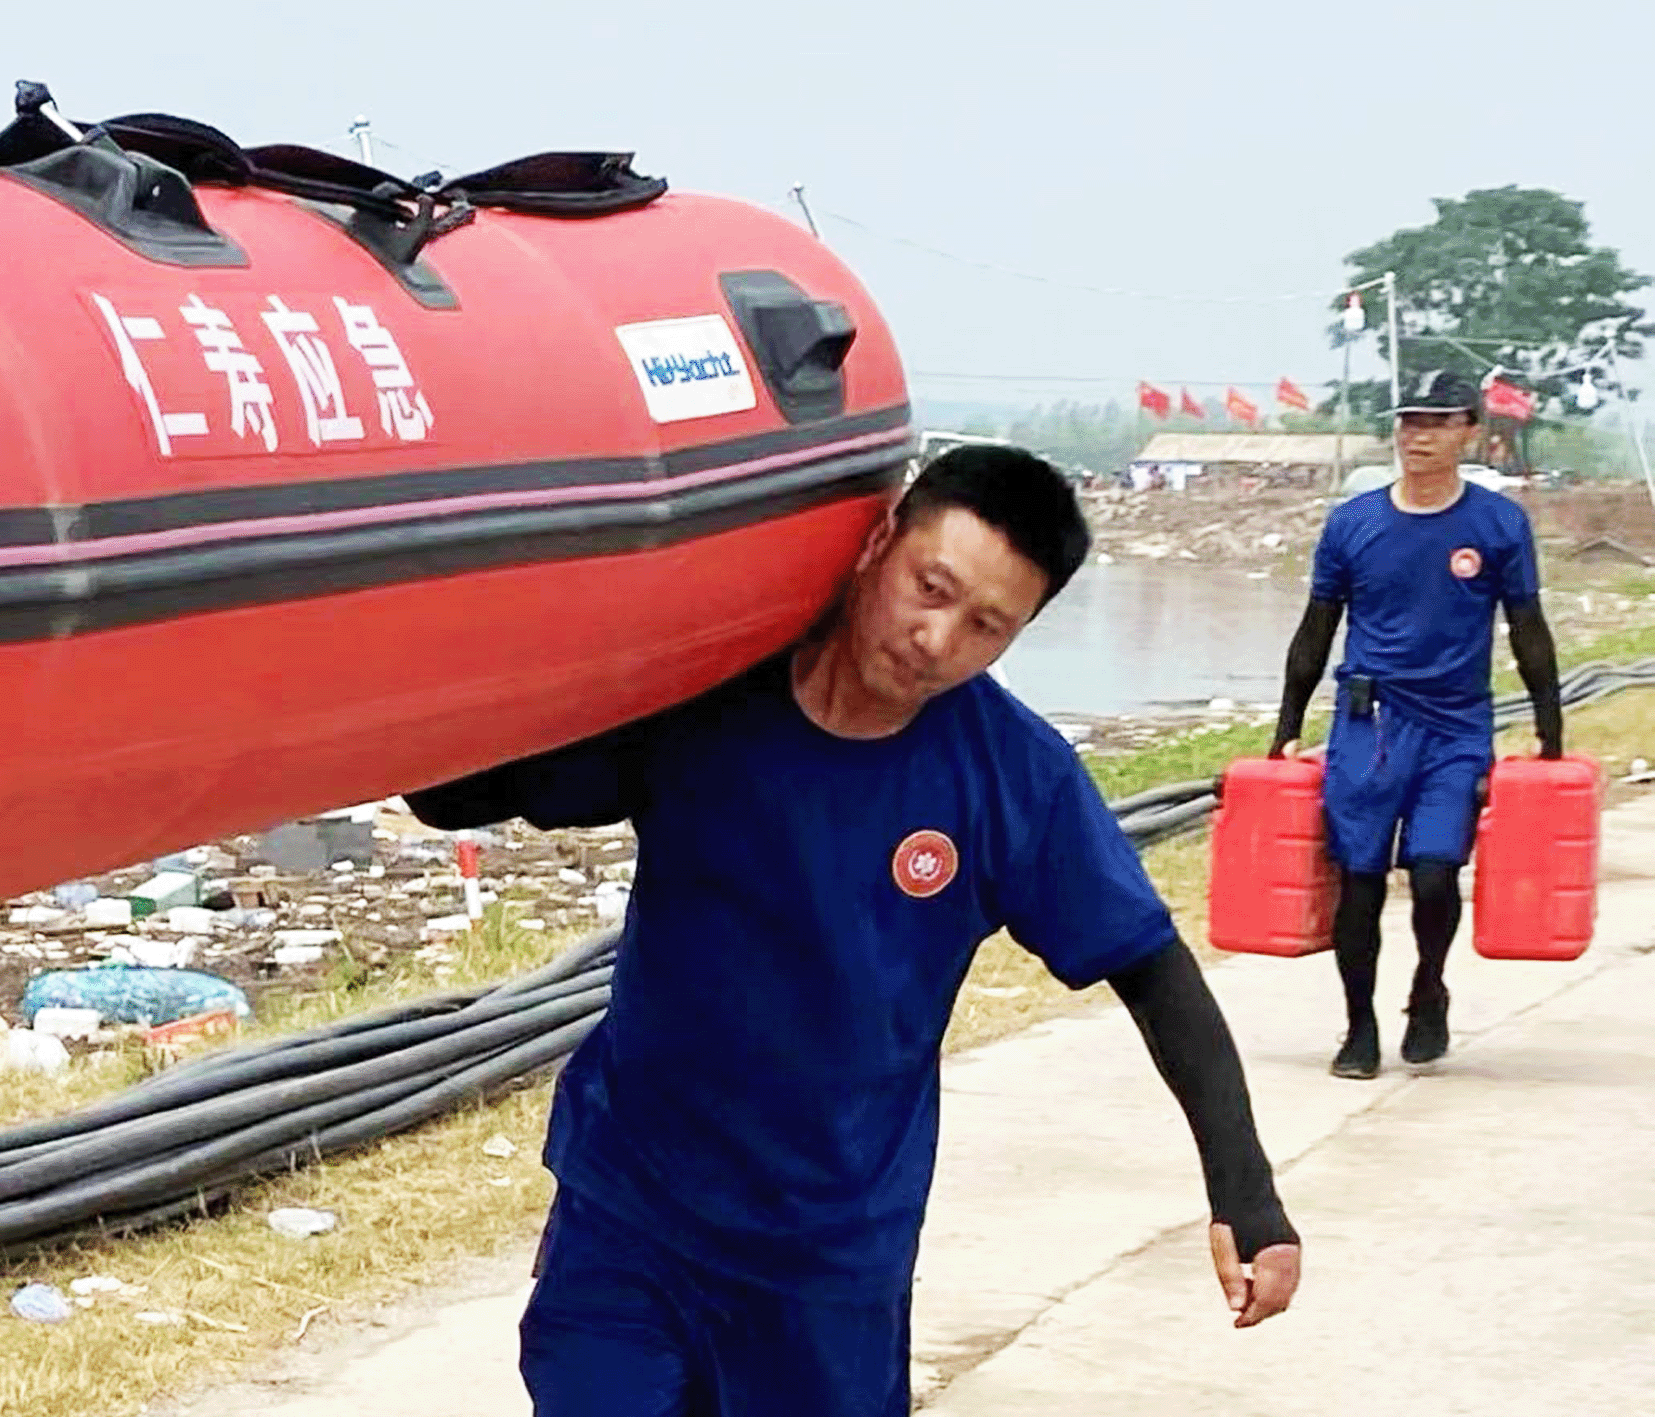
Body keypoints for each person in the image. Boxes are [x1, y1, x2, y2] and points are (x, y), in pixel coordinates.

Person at [409, 445, 1301, 1417]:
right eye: (932, 586)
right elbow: (468, 789)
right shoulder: (709, 696)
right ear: (880, 541)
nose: (935, 637)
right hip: (630, 1211)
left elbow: (1154, 972)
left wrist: (1246, 1192)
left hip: (826, 1261)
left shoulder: (1012, 780)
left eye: (984, 625)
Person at [1270, 369, 1563, 1080]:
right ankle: (1359, 1025)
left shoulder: (1497, 525)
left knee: (1435, 876)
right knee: (1360, 881)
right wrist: (1286, 726)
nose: (1418, 436)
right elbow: (1316, 630)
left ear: (1470, 431)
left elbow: (1527, 627)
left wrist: (1551, 730)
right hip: (1369, 725)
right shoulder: (1354, 523)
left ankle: (1429, 987)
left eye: (1436, 422)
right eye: (1408, 421)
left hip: (1456, 726)